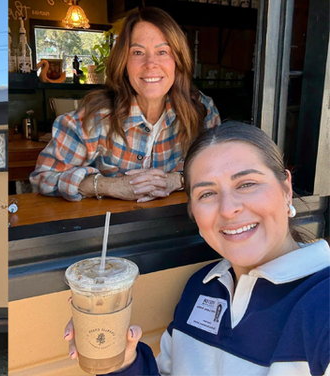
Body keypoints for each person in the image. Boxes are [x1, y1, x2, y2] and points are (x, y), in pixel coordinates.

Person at [63, 123, 329, 375]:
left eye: (247, 184)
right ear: (193, 211)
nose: (228, 209)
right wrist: (123, 362)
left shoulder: (322, 302)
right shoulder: (202, 286)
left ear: (286, 189)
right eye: (207, 194)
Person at [30, 7, 222, 202]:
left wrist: (177, 180)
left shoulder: (202, 111)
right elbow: (43, 177)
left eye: (162, 51)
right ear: (124, 62)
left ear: (178, 61)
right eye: (138, 52)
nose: (150, 64)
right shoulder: (94, 119)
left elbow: (220, 169)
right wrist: (108, 186)